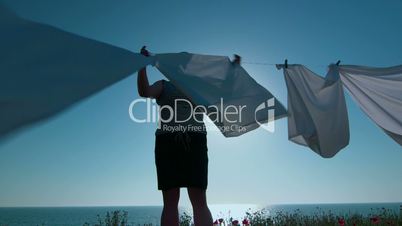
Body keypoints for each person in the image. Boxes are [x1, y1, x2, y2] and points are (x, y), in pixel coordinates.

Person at [137, 46, 213, 226]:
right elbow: (145, 92)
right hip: (168, 141)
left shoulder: (199, 87)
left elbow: (225, 91)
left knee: (199, 200)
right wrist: (141, 66)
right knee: (171, 202)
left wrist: (232, 70)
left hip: (194, 140)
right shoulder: (164, 85)